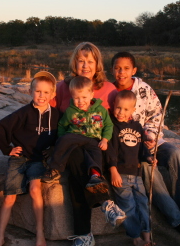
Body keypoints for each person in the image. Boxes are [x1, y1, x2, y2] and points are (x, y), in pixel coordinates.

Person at [111, 51, 180, 238]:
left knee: (176, 153)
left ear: (133, 70)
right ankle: (176, 218)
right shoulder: (110, 92)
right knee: (147, 168)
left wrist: (150, 136)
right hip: (131, 148)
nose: (121, 72)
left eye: (126, 68)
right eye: (117, 68)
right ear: (112, 70)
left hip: (151, 139)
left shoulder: (144, 89)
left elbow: (156, 114)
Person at [49, 42, 121, 246]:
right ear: (74, 62)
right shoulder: (64, 86)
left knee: (76, 179)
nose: (85, 65)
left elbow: (115, 123)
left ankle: (83, 235)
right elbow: (53, 117)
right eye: (81, 60)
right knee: (78, 169)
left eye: (90, 61)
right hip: (71, 144)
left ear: (98, 64)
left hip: (96, 147)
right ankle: (105, 202)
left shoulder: (108, 89)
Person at [0, 71, 60, 246]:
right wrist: (7, 149)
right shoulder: (23, 113)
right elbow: (0, 128)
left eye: (46, 92)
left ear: (53, 94)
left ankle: (40, 233)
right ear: (30, 91)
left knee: (35, 189)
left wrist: (53, 148)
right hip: (19, 158)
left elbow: (62, 135)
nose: (42, 96)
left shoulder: (56, 115)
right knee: (9, 196)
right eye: (38, 91)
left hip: (38, 159)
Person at [42, 76, 114, 189]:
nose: (80, 101)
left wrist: (105, 139)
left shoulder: (101, 110)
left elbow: (108, 125)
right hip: (74, 138)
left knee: (96, 154)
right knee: (66, 141)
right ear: (72, 96)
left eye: (84, 97)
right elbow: (62, 125)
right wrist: (61, 140)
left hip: (93, 139)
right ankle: (54, 168)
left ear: (91, 94)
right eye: (77, 98)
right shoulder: (70, 111)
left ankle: (96, 175)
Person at [107, 90, 154, 246]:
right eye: (118, 108)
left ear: (133, 110)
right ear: (114, 105)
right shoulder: (112, 125)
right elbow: (110, 149)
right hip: (121, 174)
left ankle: (147, 237)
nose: (121, 112)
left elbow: (141, 148)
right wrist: (113, 170)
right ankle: (135, 238)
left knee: (143, 204)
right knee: (128, 207)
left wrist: (148, 157)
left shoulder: (137, 126)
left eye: (126, 109)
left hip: (137, 174)